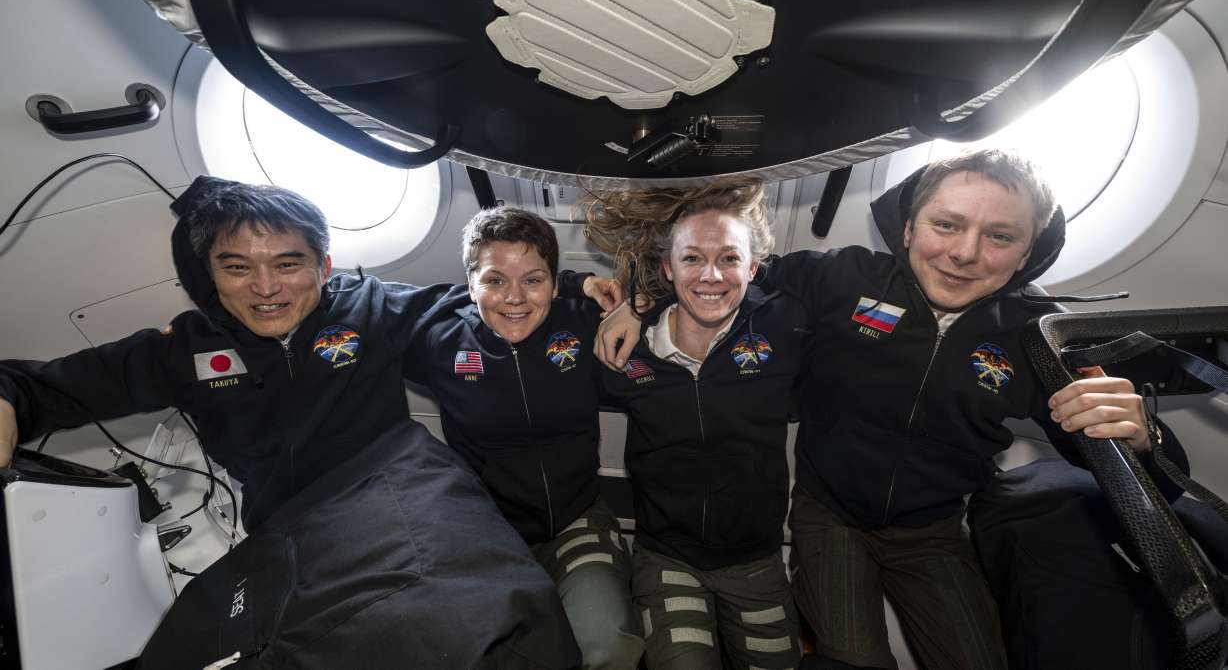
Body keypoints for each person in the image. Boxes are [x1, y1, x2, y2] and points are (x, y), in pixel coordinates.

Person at [593, 149, 1188, 670]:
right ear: (907, 227)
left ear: (1030, 251)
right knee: (852, 659)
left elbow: (1155, 478)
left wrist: (1143, 439)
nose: (964, 253)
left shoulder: (1036, 340)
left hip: (933, 530)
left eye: (1000, 237)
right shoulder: (843, 279)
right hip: (829, 516)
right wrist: (640, 300)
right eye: (946, 225)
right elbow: (725, 270)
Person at [0, 176, 584, 668]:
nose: (265, 288)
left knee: (487, 608)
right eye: (236, 268)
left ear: (323, 265)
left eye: (288, 264)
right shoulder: (186, 350)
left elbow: (494, 299)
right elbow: (38, 386)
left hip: (400, 480)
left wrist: (595, 293)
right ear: (210, 274)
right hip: (291, 520)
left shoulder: (371, 307)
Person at [401, 207, 644, 670]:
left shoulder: (583, 323)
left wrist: (581, 285)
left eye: (533, 280)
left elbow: (672, 291)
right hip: (490, 530)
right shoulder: (439, 340)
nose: (514, 298)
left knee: (607, 649)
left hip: (578, 520)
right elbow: (366, 310)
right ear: (471, 284)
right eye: (494, 281)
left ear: (554, 283)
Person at [580, 182, 809, 670]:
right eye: (691, 259)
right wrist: (625, 302)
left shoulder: (784, 330)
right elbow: (525, 294)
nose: (711, 275)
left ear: (753, 268)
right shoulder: (626, 351)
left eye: (729, 258)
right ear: (667, 269)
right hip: (668, 559)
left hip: (756, 562)